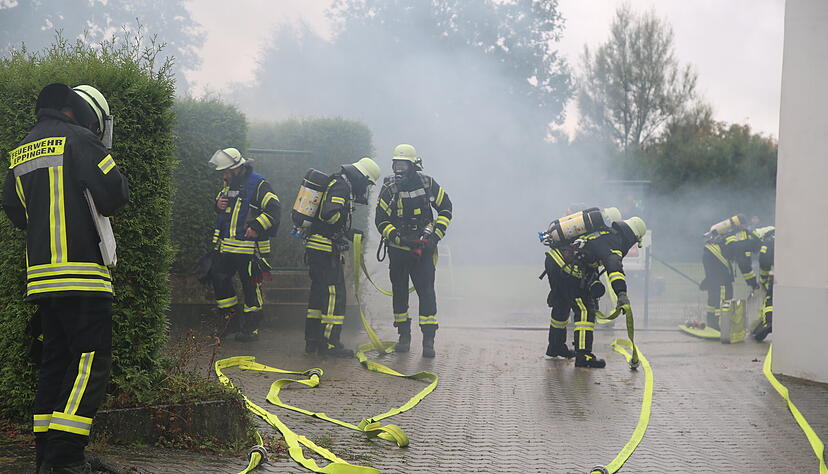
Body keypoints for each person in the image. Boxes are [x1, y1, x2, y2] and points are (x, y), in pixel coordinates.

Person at [2, 83, 129, 473]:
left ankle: (47, 456)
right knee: (89, 362)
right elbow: (114, 194)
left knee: (55, 363)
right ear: (91, 116)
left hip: (41, 280)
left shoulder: (22, 148)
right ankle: (66, 459)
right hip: (83, 277)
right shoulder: (81, 140)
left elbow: (14, 209)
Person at [375, 144, 453, 358]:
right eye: (396, 163)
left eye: (403, 164)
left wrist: (434, 237)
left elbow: (446, 208)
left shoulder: (427, 183)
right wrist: (397, 237)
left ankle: (429, 340)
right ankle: (404, 336)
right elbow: (380, 220)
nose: (398, 168)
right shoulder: (389, 187)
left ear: (412, 165)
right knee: (399, 293)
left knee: (426, 293)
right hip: (398, 251)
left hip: (423, 250)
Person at [542, 217, 647, 368]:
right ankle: (584, 356)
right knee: (585, 311)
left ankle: (555, 347)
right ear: (632, 236)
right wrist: (621, 293)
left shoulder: (603, 233)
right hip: (567, 269)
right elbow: (614, 269)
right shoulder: (614, 243)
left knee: (561, 304)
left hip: (554, 261)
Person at [304, 157, 380, 356]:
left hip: (317, 248)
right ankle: (329, 343)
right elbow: (330, 214)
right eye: (368, 183)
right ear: (362, 178)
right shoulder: (342, 187)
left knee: (318, 296)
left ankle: (312, 340)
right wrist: (342, 229)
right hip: (325, 250)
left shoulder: (336, 182)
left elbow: (325, 217)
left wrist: (347, 232)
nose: (366, 188)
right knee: (333, 297)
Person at [207, 148, 281, 342]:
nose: (223, 175)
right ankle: (229, 322)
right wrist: (218, 205)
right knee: (219, 281)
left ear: (237, 168)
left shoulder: (259, 184)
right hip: (227, 248)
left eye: (226, 172)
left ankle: (251, 329)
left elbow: (274, 210)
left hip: (250, 250)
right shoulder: (229, 183)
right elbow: (227, 210)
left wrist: (257, 225)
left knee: (251, 288)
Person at [700, 217, 761, 331]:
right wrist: (754, 284)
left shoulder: (739, 235)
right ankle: (720, 324)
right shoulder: (745, 242)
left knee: (713, 288)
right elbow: (744, 266)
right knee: (724, 289)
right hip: (717, 256)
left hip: (708, 253)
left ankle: (711, 321)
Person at [752, 226, 775, 341]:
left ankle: (768, 322)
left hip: (781, 275)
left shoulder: (768, 241)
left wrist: (763, 279)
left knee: (770, 298)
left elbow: (764, 260)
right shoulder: (780, 237)